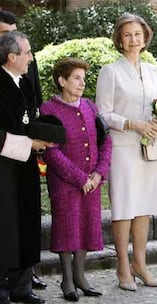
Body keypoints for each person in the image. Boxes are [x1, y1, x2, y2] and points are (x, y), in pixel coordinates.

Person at [95, 13, 157, 291]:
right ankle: (122, 265)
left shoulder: (153, 72)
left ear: (145, 37)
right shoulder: (110, 71)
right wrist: (131, 123)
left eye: (138, 34)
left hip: (148, 147)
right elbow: (103, 113)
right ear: (119, 40)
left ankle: (140, 263)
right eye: (127, 35)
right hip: (122, 147)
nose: (133, 40)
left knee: (144, 207)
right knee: (124, 208)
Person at [40, 57, 112, 301]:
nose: (82, 83)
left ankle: (81, 276)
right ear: (62, 81)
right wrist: (80, 178)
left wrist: (99, 172)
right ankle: (67, 280)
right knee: (67, 229)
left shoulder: (90, 106)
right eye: (76, 78)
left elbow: (106, 140)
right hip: (65, 184)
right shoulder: (48, 110)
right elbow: (51, 151)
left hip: (92, 183)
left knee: (86, 228)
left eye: (83, 78)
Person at [0, 10, 47, 290]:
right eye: (27, 53)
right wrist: (29, 144)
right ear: (11, 56)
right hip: (4, 166)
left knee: (27, 219)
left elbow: (34, 114)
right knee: (5, 224)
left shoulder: (26, 81)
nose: (32, 58)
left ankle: (23, 284)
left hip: (26, 163)